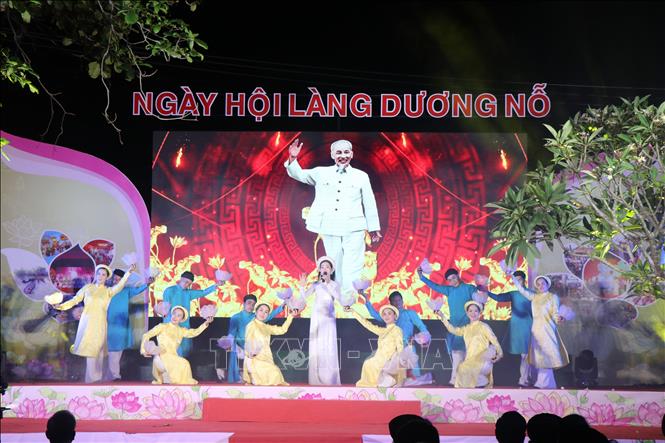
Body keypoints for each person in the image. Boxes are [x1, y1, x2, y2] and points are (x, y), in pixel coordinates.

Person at [284, 138, 381, 295]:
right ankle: (337, 295)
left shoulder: (361, 176)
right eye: (339, 152)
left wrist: (374, 227)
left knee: (354, 263)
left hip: (354, 227)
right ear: (332, 155)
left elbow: (369, 202)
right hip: (330, 225)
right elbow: (299, 174)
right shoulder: (321, 172)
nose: (343, 156)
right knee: (334, 262)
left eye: (346, 152)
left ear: (352, 154)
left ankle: (350, 297)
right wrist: (293, 158)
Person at [50, 263, 134, 383]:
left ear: (106, 277)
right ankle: (93, 380)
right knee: (91, 350)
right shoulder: (88, 288)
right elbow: (75, 300)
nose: (100, 276)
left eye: (103, 274)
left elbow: (120, 286)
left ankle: (94, 380)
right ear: (96, 275)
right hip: (88, 322)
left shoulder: (108, 291)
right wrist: (61, 307)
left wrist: (128, 273)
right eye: (99, 273)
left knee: (99, 351)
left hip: (100, 323)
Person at [417, 266, 476, 384]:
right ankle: (455, 380)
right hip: (454, 327)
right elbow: (435, 286)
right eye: (449, 280)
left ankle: (465, 381)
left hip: (469, 326)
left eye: (453, 278)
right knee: (456, 354)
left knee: (468, 355)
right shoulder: (449, 290)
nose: (452, 281)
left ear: (458, 276)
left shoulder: (470, 288)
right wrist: (421, 277)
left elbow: (479, 303)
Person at [512, 274, 569, 389]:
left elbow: (555, 313)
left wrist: (559, 319)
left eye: (543, 283)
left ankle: (542, 383)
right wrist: (512, 277)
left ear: (547, 284)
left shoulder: (552, 297)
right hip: (536, 329)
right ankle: (547, 383)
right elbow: (522, 290)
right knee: (538, 356)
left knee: (546, 355)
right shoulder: (534, 297)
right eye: (538, 284)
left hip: (547, 329)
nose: (541, 285)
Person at [361, 289, 430, 382]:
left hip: (407, 346)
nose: (397, 303)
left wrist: (422, 338)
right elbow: (374, 314)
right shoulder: (389, 315)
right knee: (393, 377)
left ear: (402, 301)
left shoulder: (409, 313)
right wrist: (366, 299)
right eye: (394, 301)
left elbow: (422, 326)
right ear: (390, 303)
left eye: (399, 300)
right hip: (392, 347)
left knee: (412, 376)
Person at [436, 300, 503, 388]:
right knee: (462, 369)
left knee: (466, 369)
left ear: (480, 313)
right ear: (467, 313)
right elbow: (453, 330)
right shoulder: (466, 328)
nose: (473, 313)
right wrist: (443, 317)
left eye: (475, 311)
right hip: (470, 361)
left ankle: (482, 383)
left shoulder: (483, 326)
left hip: (483, 360)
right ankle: (479, 386)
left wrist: (500, 354)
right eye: (470, 311)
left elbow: (494, 340)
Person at [140, 305, 213, 384]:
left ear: (181, 319)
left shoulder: (181, 330)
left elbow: (194, 332)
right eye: (174, 314)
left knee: (184, 363)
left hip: (173, 357)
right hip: (161, 356)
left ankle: (179, 384)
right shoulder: (162, 326)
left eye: (179, 315)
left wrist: (205, 323)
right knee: (184, 363)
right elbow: (146, 335)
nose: (175, 317)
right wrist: (144, 350)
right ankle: (179, 382)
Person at [486, 270, 535, 386]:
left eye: (519, 280)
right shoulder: (513, 294)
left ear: (524, 280)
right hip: (515, 327)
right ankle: (524, 378)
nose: (517, 282)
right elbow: (498, 298)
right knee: (520, 354)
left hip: (528, 326)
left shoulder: (531, 294)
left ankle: (524, 379)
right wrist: (486, 292)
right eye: (515, 280)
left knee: (526, 354)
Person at [161, 270, 226, 356]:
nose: (186, 284)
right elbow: (165, 309)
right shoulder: (169, 291)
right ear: (181, 278)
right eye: (186, 281)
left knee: (184, 351)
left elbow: (203, 292)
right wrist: (170, 324)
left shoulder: (188, 293)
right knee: (171, 350)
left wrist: (216, 285)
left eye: (189, 283)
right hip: (171, 324)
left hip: (184, 325)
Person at [106, 268, 154, 381]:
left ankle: (113, 376)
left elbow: (138, 290)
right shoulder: (108, 290)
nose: (116, 281)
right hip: (110, 324)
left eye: (119, 279)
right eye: (115, 279)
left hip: (122, 324)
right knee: (112, 350)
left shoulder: (126, 290)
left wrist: (148, 284)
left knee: (118, 351)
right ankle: (113, 375)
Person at [300, 256, 341, 385]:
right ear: (319, 270)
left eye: (327, 267)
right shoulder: (316, 285)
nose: (324, 269)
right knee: (317, 345)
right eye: (322, 267)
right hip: (317, 317)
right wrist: (302, 286)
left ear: (331, 270)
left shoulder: (334, 284)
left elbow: (338, 298)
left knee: (328, 345)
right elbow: (304, 298)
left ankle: (329, 378)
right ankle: (317, 378)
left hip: (328, 317)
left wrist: (328, 283)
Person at [225, 294, 284, 383]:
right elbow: (231, 333)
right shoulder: (236, 317)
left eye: (253, 304)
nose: (251, 306)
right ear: (243, 304)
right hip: (240, 346)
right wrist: (230, 345)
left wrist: (282, 306)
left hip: (254, 347)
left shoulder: (255, 316)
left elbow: (269, 315)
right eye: (249, 303)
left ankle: (259, 379)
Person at [343, 304, 405, 387]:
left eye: (389, 313)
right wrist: (353, 312)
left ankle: (387, 380)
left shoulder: (397, 330)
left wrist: (399, 360)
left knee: (374, 364)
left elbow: (400, 346)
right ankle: (376, 384)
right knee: (368, 363)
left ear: (395, 316)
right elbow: (367, 324)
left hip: (389, 359)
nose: (386, 316)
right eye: (384, 314)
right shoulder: (382, 331)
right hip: (379, 358)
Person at [243, 303, 294, 386]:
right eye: (261, 310)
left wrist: (291, 316)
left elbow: (282, 330)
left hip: (267, 358)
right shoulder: (251, 325)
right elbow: (248, 341)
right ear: (256, 312)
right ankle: (254, 380)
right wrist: (249, 354)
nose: (263, 313)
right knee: (274, 372)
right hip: (255, 359)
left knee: (275, 373)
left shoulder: (266, 327)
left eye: (266, 312)